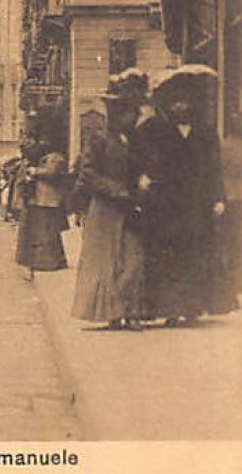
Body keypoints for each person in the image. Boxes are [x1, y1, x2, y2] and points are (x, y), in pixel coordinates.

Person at [137, 67, 238, 326]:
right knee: (168, 254)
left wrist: (218, 198)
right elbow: (138, 160)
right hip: (165, 202)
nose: (181, 106)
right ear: (168, 103)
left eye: (186, 101)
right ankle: (170, 309)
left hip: (196, 202)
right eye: (175, 101)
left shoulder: (205, 131)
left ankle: (192, 307)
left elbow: (214, 168)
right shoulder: (151, 129)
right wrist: (144, 178)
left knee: (194, 253)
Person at [71, 74, 149, 331]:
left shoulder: (136, 140)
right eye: (128, 112)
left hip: (131, 207)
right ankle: (114, 315)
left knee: (133, 259)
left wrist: (143, 183)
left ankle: (131, 310)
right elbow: (88, 173)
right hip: (105, 209)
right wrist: (118, 190)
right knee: (105, 262)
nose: (132, 117)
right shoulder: (98, 139)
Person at [15, 143, 68, 279]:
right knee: (42, 233)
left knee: (47, 233)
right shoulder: (48, 157)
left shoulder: (56, 158)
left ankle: (49, 262)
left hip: (48, 200)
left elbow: (53, 173)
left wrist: (35, 171)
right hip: (41, 199)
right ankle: (43, 261)